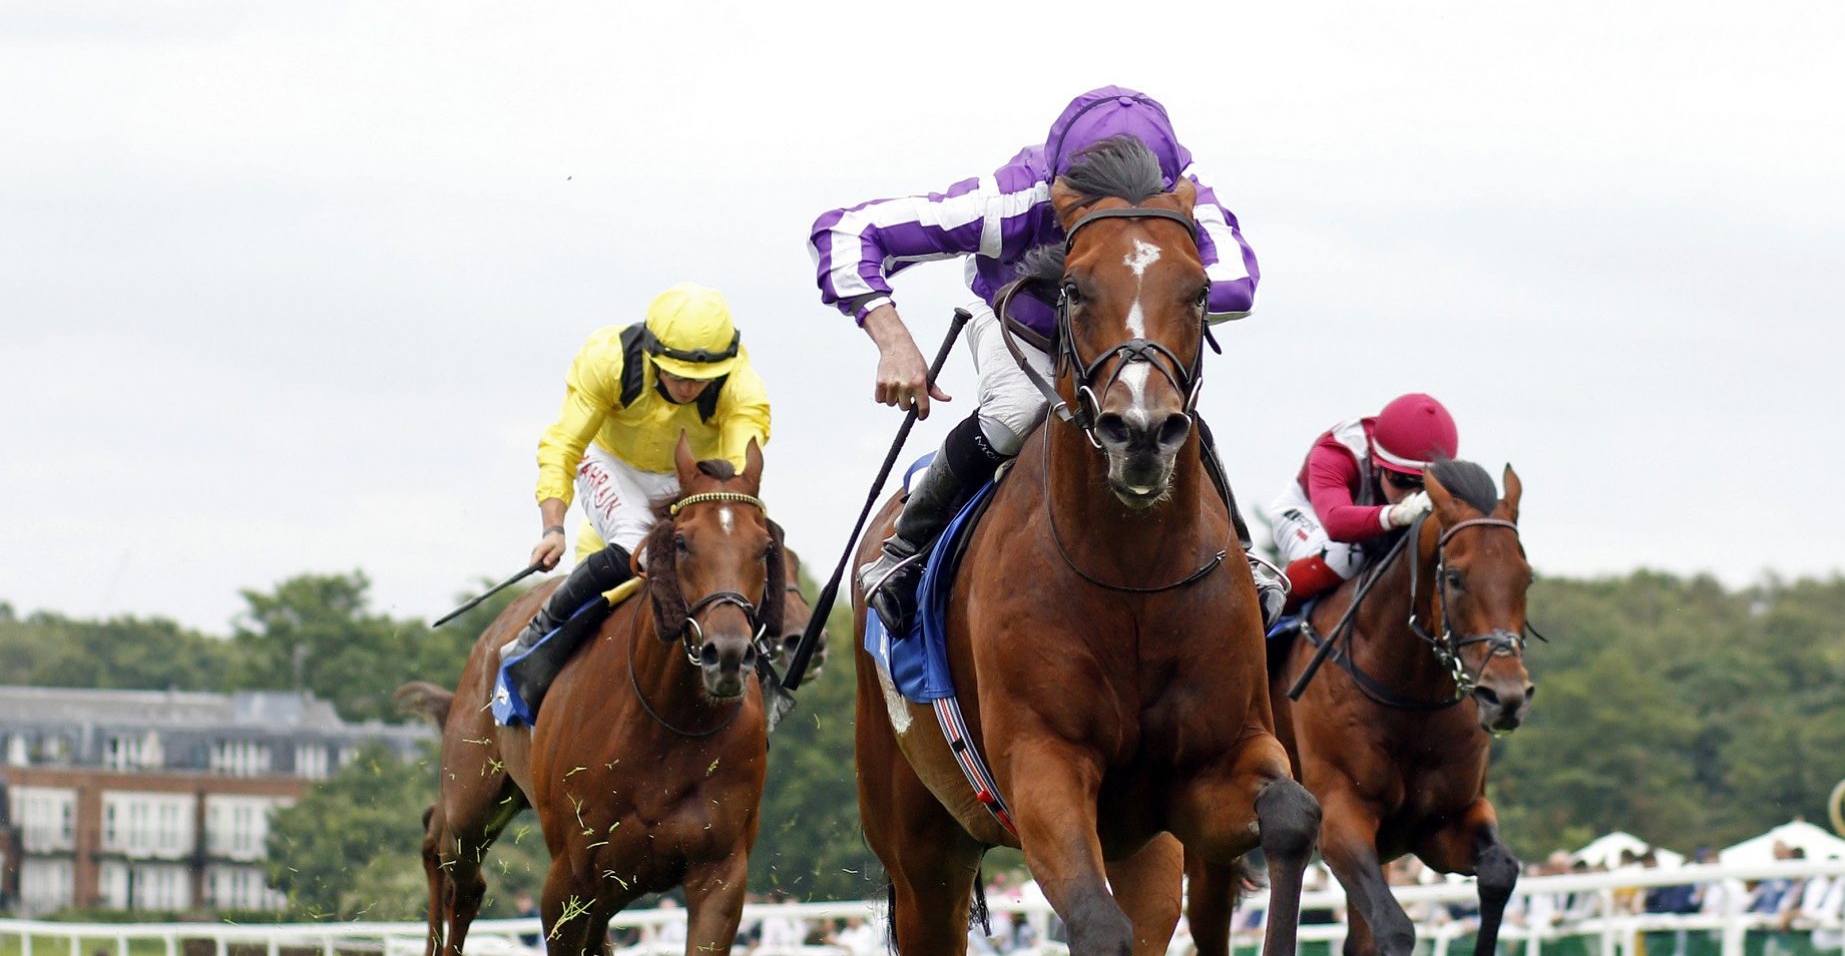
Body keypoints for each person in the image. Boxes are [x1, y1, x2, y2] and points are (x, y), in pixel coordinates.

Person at [809, 86, 1283, 635]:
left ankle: (1243, 557)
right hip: (1027, 323)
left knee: (1165, 408)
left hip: (1131, 334)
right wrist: (892, 338)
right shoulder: (1014, 199)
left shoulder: (1185, 196)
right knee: (1017, 413)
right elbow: (846, 231)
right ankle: (905, 549)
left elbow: (1236, 286)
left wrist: (1142, 290)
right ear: (1059, 189)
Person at [505, 283, 772, 658]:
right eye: (677, 374)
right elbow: (564, 444)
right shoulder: (607, 360)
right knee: (636, 543)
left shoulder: (742, 385)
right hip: (612, 463)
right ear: (651, 352)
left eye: (702, 378)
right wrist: (553, 528)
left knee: (741, 542)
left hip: (690, 480)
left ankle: (769, 659)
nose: (690, 387)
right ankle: (537, 635)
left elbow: (736, 475)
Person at [1264, 393, 1460, 611]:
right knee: (1345, 557)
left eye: (1424, 483)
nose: (1412, 494)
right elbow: (1335, 523)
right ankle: (1266, 606)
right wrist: (1398, 514)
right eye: (1401, 480)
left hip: (1367, 524)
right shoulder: (1337, 451)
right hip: (1309, 515)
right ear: (1377, 463)